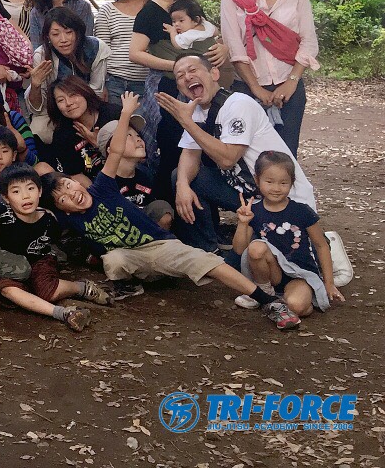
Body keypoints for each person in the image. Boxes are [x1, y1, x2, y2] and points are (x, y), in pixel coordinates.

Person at [45, 94, 303, 329]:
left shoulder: (102, 187)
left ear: (77, 181)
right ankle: (129, 285)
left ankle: (268, 300)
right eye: (63, 198)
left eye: (69, 185)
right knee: (113, 259)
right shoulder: (69, 219)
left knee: (209, 264)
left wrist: (125, 114)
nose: (71, 194)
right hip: (130, 258)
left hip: (159, 245)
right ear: (61, 208)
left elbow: (115, 152)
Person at [157, 53, 316, 254]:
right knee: (184, 178)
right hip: (247, 193)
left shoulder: (238, 104)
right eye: (180, 76)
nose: (187, 77)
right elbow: (190, 154)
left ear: (214, 74)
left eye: (193, 70)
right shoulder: (196, 111)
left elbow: (228, 159)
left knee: (268, 258)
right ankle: (207, 252)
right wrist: (182, 186)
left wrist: (186, 122)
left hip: (282, 196)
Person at [129, 0, 231, 200]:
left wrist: (223, 48)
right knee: (173, 148)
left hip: (202, 88)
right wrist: (177, 67)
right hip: (169, 88)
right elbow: (135, 53)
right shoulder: (150, 12)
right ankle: (170, 209)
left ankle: (202, 210)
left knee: (204, 147)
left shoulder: (189, 7)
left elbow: (210, 37)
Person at [220, 0, 319, 156]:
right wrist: (256, 89)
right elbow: (234, 47)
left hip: (289, 86)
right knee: (249, 153)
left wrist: (291, 82)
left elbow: (309, 42)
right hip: (247, 87)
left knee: (286, 153)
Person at [0, 163, 113, 330]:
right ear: (6, 198)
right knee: (7, 290)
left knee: (47, 290)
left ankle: (81, 288)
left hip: (40, 260)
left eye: (30, 188)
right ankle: (64, 313)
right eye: (16, 191)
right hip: (12, 265)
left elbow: (66, 241)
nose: (25, 196)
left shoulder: (50, 219)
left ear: (39, 191)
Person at [233, 151, 343, 317]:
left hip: (300, 275)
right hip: (272, 274)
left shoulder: (302, 211)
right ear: (257, 179)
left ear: (292, 182)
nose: (276, 188)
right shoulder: (253, 211)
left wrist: (329, 283)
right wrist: (243, 223)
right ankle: (264, 292)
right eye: (269, 182)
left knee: (296, 306)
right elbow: (240, 249)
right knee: (256, 247)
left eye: (283, 183)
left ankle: (295, 302)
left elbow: (321, 245)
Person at [25, 6, 110, 143]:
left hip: (87, 106)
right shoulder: (41, 55)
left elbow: (96, 90)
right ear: (48, 37)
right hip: (54, 109)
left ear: (78, 32)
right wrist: (35, 85)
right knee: (38, 131)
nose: (63, 39)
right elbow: (38, 108)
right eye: (55, 34)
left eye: (69, 32)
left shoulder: (96, 48)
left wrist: (76, 110)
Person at [94, 0, 154, 112]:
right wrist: (101, 85)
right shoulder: (107, 10)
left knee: (145, 127)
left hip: (149, 83)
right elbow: (101, 52)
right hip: (115, 84)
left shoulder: (154, 6)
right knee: (116, 126)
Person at [94, 114, 174, 231]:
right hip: (117, 233)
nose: (138, 139)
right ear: (110, 149)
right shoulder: (103, 181)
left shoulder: (145, 176)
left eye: (138, 135)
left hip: (146, 233)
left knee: (162, 208)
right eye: (128, 136)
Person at [33, 76, 119, 184]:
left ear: (84, 92)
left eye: (73, 95)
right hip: (95, 185)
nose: (68, 103)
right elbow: (75, 174)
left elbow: (133, 157)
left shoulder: (112, 114)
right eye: (61, 100)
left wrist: (100, 144)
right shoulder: (62, 135)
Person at [167, 0, 236, 88]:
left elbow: (177, 44)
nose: (176, 24)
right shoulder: (207, 26)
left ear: (196, 20)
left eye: (181, 21)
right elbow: (216, 32)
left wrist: (172, 32)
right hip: (225, 68)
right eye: (173, 21)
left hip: (210, 70)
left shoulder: (188, 35)